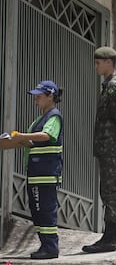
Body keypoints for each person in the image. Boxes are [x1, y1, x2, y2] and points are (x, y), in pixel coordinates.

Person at [82, 46, 116, 254]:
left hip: (111, 148)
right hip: (112, 147)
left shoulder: (113, 86)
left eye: (98, 62)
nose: (96, 66)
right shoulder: (111, 85)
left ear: (108, 62)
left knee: (110, 192)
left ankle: (109, 237)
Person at [11, 80, 63, 260]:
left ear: (50, 96)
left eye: (39, 97)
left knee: (45, 211)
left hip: (46, 175)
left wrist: (23, 136)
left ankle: (50, 247)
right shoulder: (40, 118)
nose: (36, 100)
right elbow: (38, 141)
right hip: (36, 174)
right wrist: (20, 141)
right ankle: (45, 245)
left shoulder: (54, 116)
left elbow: (48, 136)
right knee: (37, 211)